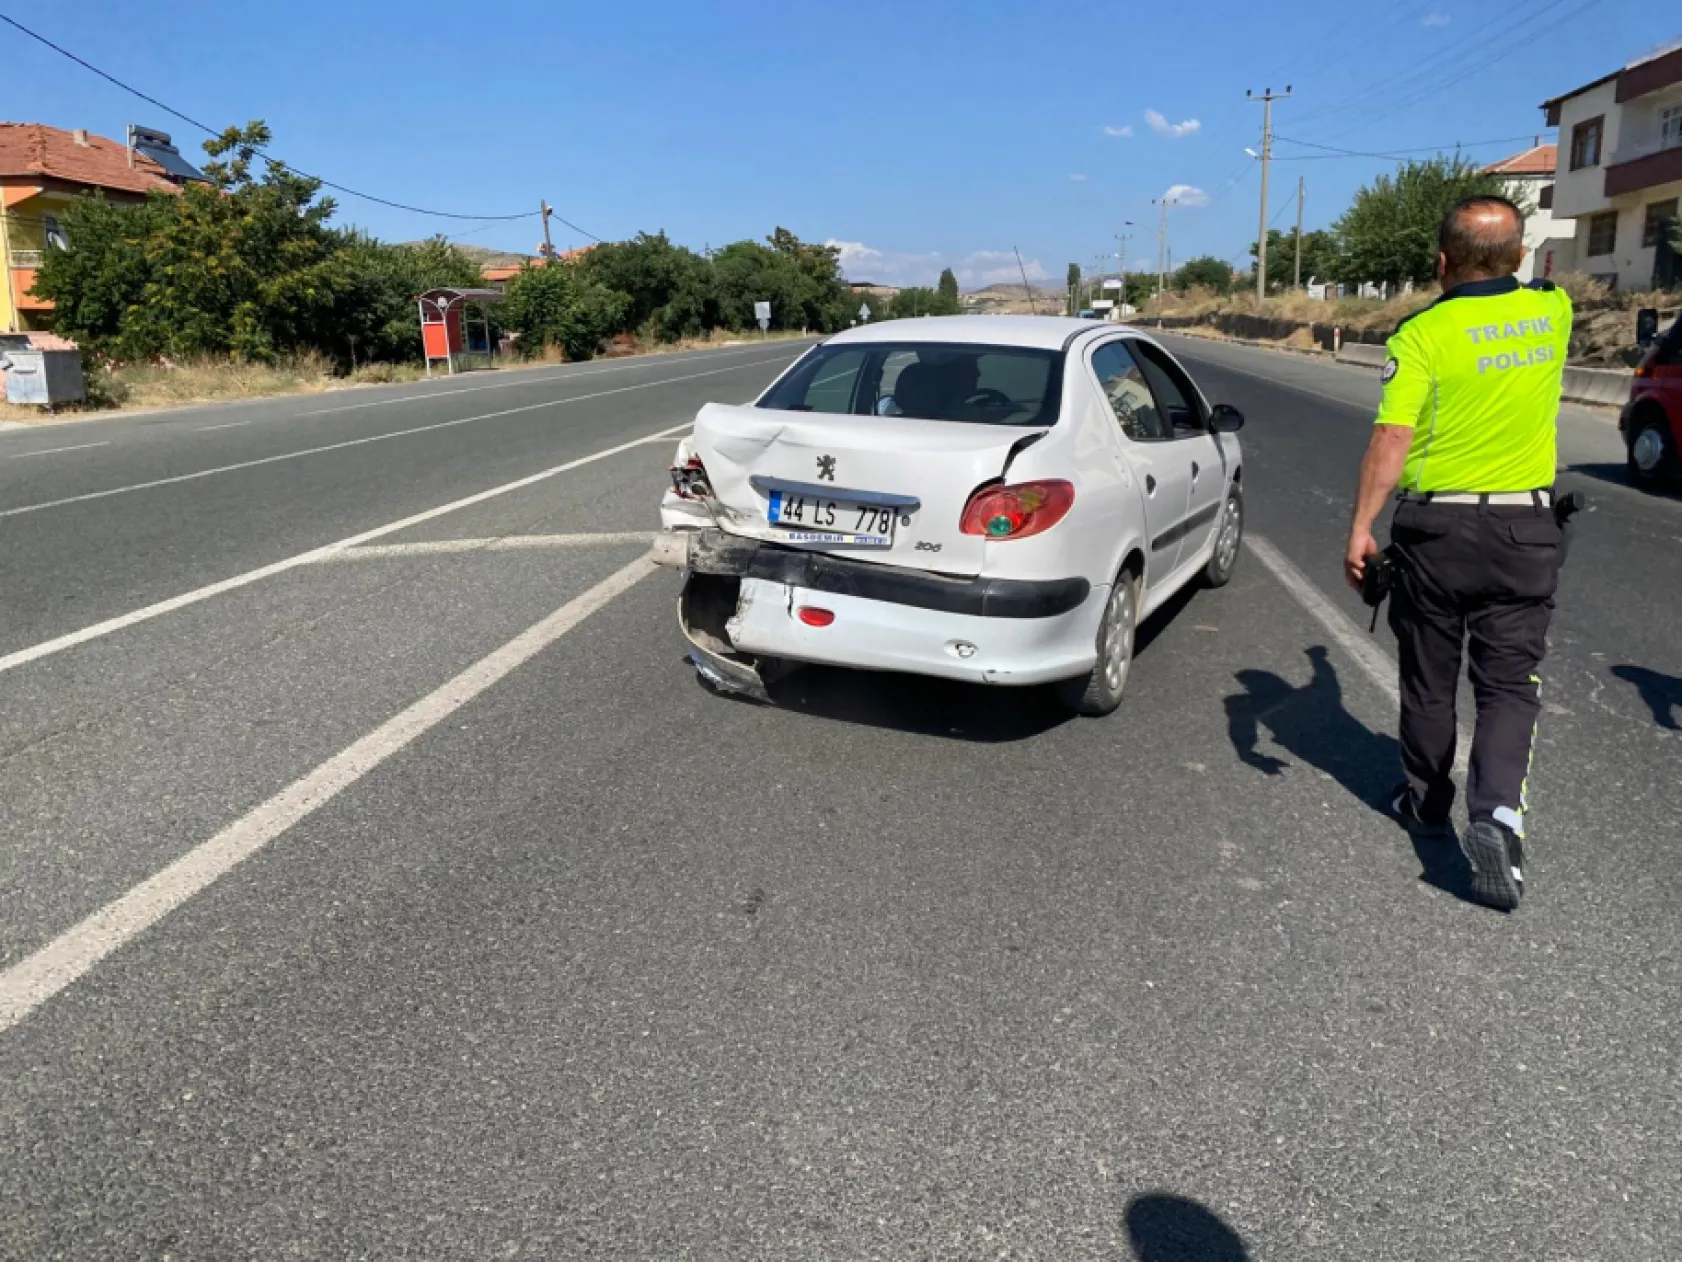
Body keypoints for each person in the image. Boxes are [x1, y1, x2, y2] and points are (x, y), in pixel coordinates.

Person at [1343, 195, 1572, 912]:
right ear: (1520, 259)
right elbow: (1540, 282)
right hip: (1524, 530)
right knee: (1509, 685)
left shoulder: (1420, 334)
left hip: (1436, 532)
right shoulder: (1553, 313)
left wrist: (1361, 525)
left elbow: (1393, 437)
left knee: (1429, 678)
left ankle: (1427, 804)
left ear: (1441, 263)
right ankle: (1499, 814)